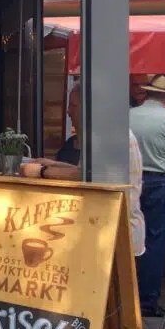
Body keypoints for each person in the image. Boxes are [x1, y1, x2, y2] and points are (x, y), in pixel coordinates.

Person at [20, 82, 145, 259]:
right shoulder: (103, 131)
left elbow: (89, 175)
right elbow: (87, 170)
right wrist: (53, 164)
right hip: (112, 230)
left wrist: (42, 171)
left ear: (88, 107)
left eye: (73, 105)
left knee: (111, 286)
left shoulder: (106, 135)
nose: (68, 112)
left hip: (118, 234)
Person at [129, 74, 165, 317]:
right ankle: (146, 300)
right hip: (162, 182)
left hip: (132, 178)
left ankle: (125, 290)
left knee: (129, 237)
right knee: (154, 242)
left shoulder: (128, 115)